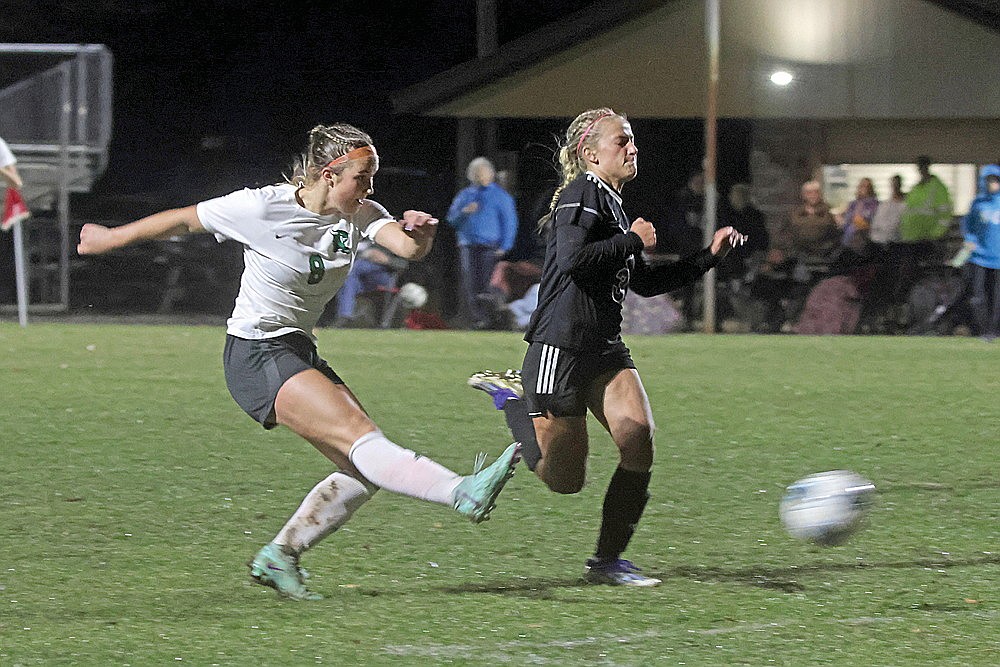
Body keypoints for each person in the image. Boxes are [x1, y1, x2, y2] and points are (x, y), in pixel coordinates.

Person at [77, 123, 521, 601]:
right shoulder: (262, 206)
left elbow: (406, 248)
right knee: (363, 443)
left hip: (296, 348)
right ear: (329, 174)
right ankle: (461, 491)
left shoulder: (360, 210)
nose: (370, 187)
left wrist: (424, 234)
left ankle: (280, 556)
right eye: (362, 176)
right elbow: (185, 219)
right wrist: (111, 238)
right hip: (256, 351)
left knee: (363, 467)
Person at [467, 108, 744, 586]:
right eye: (622, 141)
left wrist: (708, 258)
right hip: (563, 346)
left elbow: (647, 284)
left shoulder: (613, 204)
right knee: (565, 481)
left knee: (638, 440)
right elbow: (573, 261)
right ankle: (513, 401)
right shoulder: (582, 195)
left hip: (605, 347)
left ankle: (606, 563)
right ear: (590, 153)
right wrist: (632, 239)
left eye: (632, 140)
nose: (632, 148)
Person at [446, 156, 519, 328]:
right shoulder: (465, 196)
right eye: (477, 173)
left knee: (488, 285)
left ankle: (491, 319)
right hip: (468, 245)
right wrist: (464, 212)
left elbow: (510, 222)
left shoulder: (500, 196)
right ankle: (478, 319)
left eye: (484, 172)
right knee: (472, 284)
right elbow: (451, 220)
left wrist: (505, 245)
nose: (481, 176)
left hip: (490, 247)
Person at [958, 164, 1000, 340]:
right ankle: (983, 330)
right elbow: (969, 227)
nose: (992, 184)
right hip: (980, 258)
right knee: (979, 295)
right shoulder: (977, 203)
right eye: (989, 180)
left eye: (995, 180)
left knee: (997, 297)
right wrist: (970, 241)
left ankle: (994, 329)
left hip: (998, 258)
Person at [331, 239, 405, 327]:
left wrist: (388, 260)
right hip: (362, 273)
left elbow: (408, 265)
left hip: (387, 275)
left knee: (352, 270)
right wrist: (367, 253)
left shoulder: (401, 239)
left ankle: (345, 316)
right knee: (348, 278)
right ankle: (345, 317)